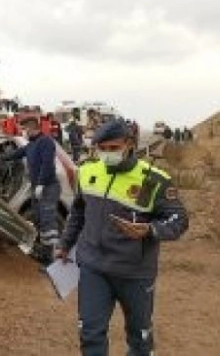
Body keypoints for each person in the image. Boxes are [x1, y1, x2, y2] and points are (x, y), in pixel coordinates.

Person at [54, 120, 189, 356]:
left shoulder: (152, 180)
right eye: (102, 148)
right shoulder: (87, 171)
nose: (107, 154)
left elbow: (179, 220)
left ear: (129, 144)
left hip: (134, 273)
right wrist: (65, 244)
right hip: (93, 268)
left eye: (113, 148)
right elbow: (78, 212)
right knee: (90, 334)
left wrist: (150, 230)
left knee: (140, 337)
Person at [0, 116, 61, 263]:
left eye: (25, 129)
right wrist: (0, 157)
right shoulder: (30, 145)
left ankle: (54, 259)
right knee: (39, 220)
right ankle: (46, 256)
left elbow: (47, 164)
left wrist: (41, 184)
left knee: (48, 223)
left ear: (33, 128)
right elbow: (16, 154)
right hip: (37, 188)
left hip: (48, 187)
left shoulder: (46, 142)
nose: (24, 132)